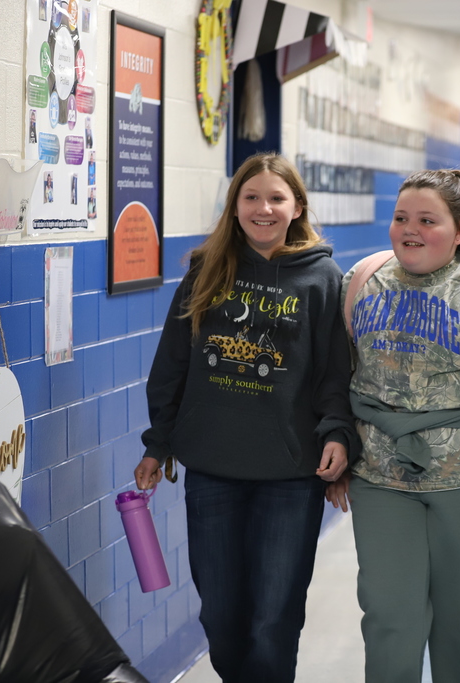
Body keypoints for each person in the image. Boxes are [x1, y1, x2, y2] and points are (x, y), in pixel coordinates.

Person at [132, 153, 357, 683]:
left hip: (289, 473)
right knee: (222, 615)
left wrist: (338, 436)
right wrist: (157, 441)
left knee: (274, 618)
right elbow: (174, 363)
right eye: (251, 197)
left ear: (297, 206)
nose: (263, 208)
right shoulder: (206, 268)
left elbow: (333, 372)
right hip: (212, 466)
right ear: (234, 207)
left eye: (276, 198)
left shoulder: (323, 278)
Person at [328, 169, 460, 683]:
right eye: (401, 217)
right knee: (388, 622)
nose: (411, 229)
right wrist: (337, 449)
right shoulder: (360, 281)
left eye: (428, 220)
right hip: (381, 480)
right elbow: (336, 381)